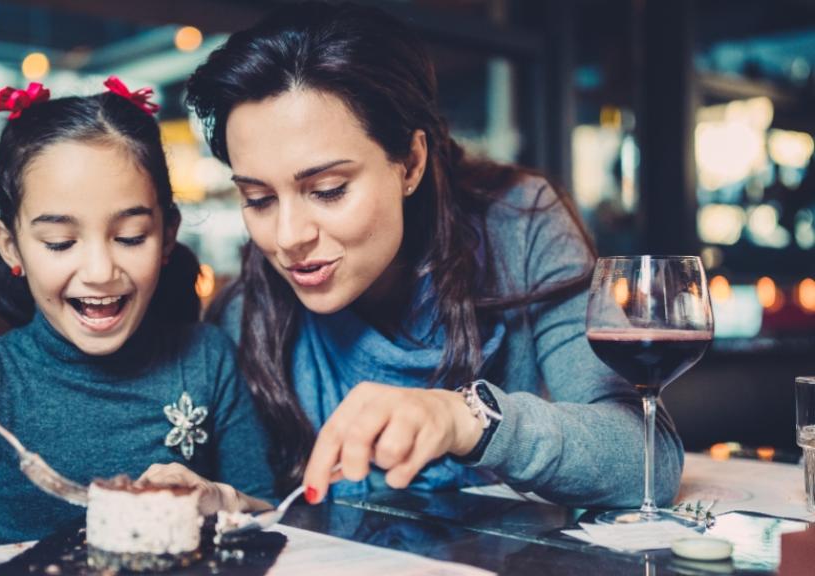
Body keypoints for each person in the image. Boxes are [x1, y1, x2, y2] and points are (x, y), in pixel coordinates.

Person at [185, 1, 684, 507]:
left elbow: (647, 460)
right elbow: (265, 505)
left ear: (410, 163)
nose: (288, 237)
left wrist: (463, 418)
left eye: (329, 189)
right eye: (258, 199)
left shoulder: (520, 226)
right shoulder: (245, 314)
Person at [0, 78, 273, 548]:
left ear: (167, 236)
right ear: (11, 246)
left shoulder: (206, 358)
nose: (101, 271)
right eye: (61, 243)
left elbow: (272, 518)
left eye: (130, 237)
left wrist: (217, 499)